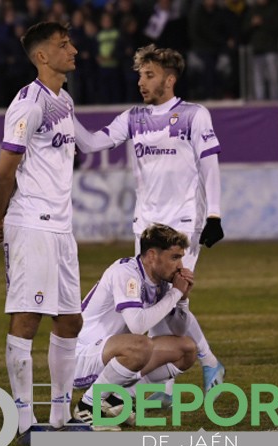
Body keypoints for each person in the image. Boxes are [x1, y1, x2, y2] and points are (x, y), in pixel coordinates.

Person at [0, 21, 113, 444]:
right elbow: (4, 171)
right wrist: (1, 216)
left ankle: (60, 419)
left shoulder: (64, 100)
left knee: (70, 321)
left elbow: (91, 143)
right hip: (31, 224)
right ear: (42, 56)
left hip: (61, 228)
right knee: (26, 318)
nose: (74, 50)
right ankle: (24, 423)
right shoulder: (28, 104)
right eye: (64, 45)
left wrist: (134, 123)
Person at [92, 44, 226, 406]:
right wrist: (62, 112)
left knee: (176, 299)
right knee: (155, 301)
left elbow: (209, 164)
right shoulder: (132, 118)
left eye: (148, 75)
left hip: (183, 222)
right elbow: (92, 143)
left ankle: (207, 361)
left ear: (169, 79)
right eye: (139, 75)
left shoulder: (194, 115)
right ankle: (169, 387)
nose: (141, 81)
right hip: (146, 226)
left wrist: (213, 214)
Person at [72, 224, 197, 427]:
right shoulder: (126, 273)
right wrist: (174, 294)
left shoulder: (162, 281)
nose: (180, 265)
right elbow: (137, 325)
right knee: (141, 344)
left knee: (186, 349)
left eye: (181, 257)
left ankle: (115, 400)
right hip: (81, 356)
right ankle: (87, 407)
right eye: (175, 257)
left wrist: (182, 298)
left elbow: (179, 330)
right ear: (152, 255)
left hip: (111, 353)